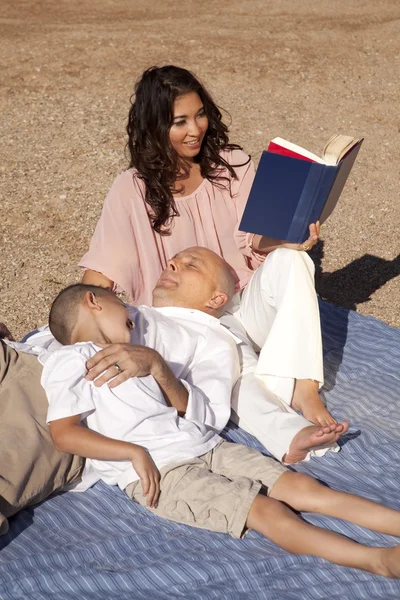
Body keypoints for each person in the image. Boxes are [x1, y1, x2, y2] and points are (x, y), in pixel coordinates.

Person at [42, 279, 400, 579]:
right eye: (122, 306)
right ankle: (377, 561)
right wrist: (132, 452)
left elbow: (180, 407)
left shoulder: (137, 352)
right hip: (162, 473)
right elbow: (64, 433)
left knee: (302, 487)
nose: (132, 318)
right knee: (266, 511)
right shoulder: (67, 361)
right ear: (94, 301)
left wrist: (156, 365)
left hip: (202, 443)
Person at [79, 64, 332, 430]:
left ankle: (305, 388)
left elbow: (255, 237)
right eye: (180, 121)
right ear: (155, 128)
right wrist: (74, 330)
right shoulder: (130, 189)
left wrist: (288, 240)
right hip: (187, 327)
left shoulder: (232, 165)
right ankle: (294, 436)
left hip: (244, 306)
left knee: (293, 261)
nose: (196, 129)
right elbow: (101, 274)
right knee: (240, 381)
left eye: (199, 115)